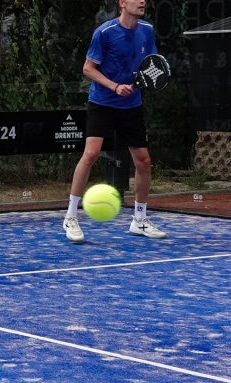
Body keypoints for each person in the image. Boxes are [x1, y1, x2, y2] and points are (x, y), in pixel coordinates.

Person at [62, 0, 167, 242]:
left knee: (143, 161)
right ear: (122, 3)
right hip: (102, 102)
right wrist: (114, 86)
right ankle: (70, 217)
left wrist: (138, 80)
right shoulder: (104, 33)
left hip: (131, 105)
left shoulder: (147, 30)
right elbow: (88, 68)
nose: (142, 1)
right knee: (91, 154)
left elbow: (150, 65)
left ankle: (139, 220)